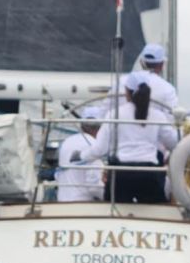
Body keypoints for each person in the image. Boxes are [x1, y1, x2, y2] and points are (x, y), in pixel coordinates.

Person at [76, 71, 178, 203]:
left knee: (114, 210)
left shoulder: (115, 115)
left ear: (127, 92)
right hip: (150, 176)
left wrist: (80, 156)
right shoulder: (158, 116)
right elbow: (173, 143)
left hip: (121, 175)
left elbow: (99, 149)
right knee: (155, 210)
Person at [99, 43, 178, 118]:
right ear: (161, 65)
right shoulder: (168, 89)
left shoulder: (121, 81)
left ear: (141, 62)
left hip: (119, 131)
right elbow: (171, 119)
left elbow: (103, 113)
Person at [55, 107, 104, 202]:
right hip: (83, 205)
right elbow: (94, 186)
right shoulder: (94, 145)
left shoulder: (66, 142)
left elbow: (58, 175)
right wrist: (109, 196)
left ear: (82, 125)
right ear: (101, 127)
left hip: (61, 202)